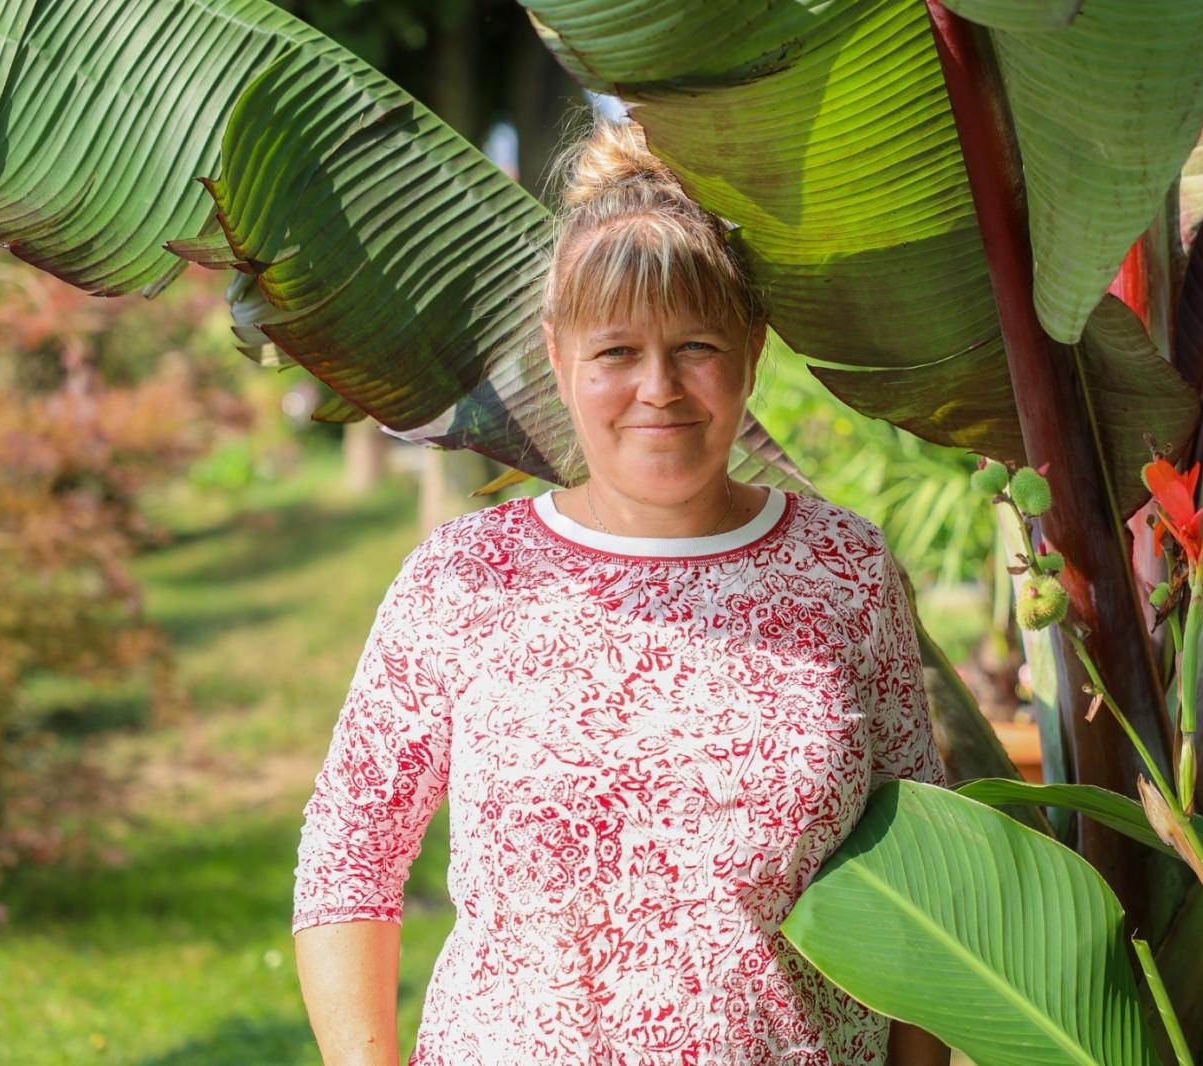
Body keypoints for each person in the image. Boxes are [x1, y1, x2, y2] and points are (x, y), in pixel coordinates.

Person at [292, 117, 951, 1066]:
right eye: (615, 353)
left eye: (694, 346)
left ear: (751, 350)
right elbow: (352, 848)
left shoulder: (842, 566)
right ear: (558, 357)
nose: (659, 388)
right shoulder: (466, 578)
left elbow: (923, 864)